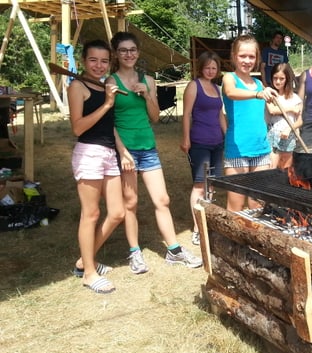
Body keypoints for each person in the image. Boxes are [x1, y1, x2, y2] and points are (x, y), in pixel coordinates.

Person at [107, 31, 202, 273]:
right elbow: (109, 124)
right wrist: (123, 152)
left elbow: (156, 117)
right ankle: (134, 253)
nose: (129, 54)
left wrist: (147, 94)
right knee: (131, 203)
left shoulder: (148, 80)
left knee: (163, 200)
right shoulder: (110, 82)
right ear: (116, 54)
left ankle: (174, 250)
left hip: (148, 147)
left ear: (138, 53)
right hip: (126, 149)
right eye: (123, 50)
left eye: (132, 50)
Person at [68, 39, 125, 294]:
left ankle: (85, 260)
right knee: (90, 214)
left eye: (104, 61)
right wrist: (106, 105)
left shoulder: (106, 85)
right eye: (93, 60)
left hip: (109, 153)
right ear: (83, 61)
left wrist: (123, 151)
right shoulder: (77, 86)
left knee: (117, 213)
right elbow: (78, 127)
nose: (99, 65)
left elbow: (109, 127)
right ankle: (89, 273)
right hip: (88, 153)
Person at [221, 34, 278, 212]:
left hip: (261, 148)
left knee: (258, 205)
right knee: (236, 207)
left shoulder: (259, 83)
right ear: (234, 56)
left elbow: (267, 113)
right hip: (238, 149)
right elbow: (231, 93)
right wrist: (257, 94)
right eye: (242, 56)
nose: (247, 60)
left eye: (251, 56)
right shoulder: (229, 78)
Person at [180, 51, 225, 246]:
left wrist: (227, 135)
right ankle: (197, 228)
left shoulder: (217, 87)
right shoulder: (193, 86)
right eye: (207, 67)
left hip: (218, 142)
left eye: (213, 68)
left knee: (212, 183)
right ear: (201, 67)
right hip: (199, 141)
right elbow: (186, 114)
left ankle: (207, 220)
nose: (210, 70)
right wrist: (186, 138)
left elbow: (220, 115)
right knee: (199, 184)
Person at [265, 63, 302, 169]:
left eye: (281, 79)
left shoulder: (295, 98)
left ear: (287, 79)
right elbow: (272, 110)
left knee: (285, 170)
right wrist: (290, 108)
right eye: (275, 78)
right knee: (271, 168)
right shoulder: (270, 95)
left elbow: (299, 121)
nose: (278, 81)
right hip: (272, 137)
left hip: (288, 137)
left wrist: (289, 129)